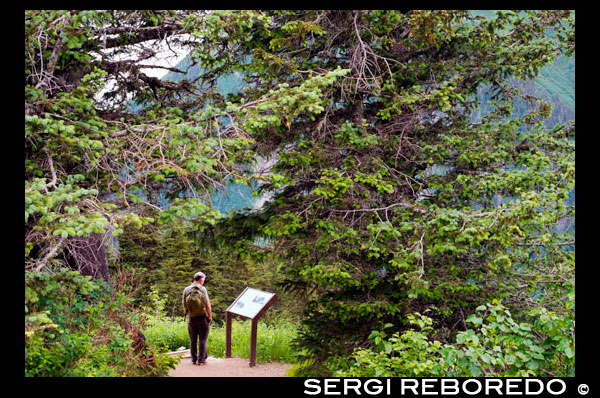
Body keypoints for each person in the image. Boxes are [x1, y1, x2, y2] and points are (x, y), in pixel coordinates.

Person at [182, 271, 212, 365]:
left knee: (193, 339)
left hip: (191, 318)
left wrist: (188, 314)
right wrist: (210, 316)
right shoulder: (202, 289)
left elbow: (184, 304)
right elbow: (208, 305)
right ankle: (201, 360)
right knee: (203, 339)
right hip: (202, 318)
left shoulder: (186, 289)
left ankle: (194, 359)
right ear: (201, 280)